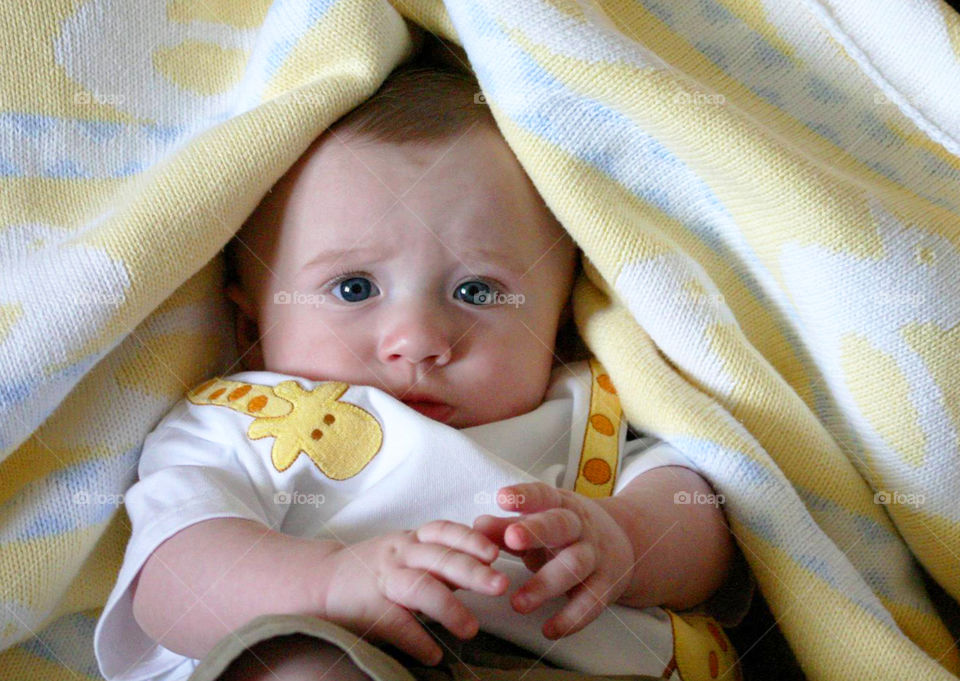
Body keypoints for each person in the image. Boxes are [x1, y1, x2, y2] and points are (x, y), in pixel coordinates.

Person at [94, 54, 749, 681]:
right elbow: (171, 576)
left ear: (558, 324)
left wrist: (625, 539)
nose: (418, 339)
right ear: (250, 330)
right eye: (353, 288)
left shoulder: (581, 412)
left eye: (478, 291)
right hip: (342, 645)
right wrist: (326, 585)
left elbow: (710, 524)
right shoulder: (239, 422)